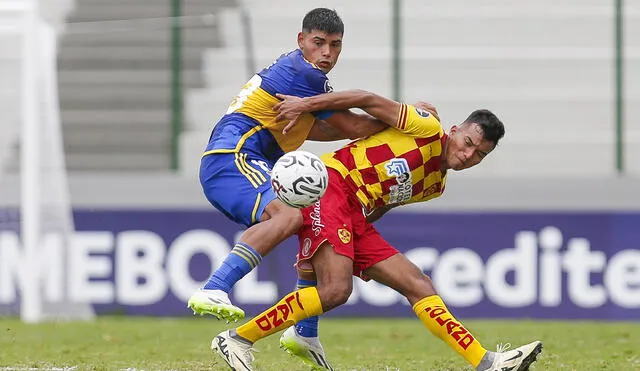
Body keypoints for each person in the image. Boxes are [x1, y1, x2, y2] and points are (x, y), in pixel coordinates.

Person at [210, 89, 543, 371]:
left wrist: (346, 240)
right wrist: (305, 105)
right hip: (332, 185)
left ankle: (487, 362)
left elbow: (383, 202)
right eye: (468, 142)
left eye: (479, 155)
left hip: (354, 214)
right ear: (455, 130)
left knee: (418, 284)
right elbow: (366, 99)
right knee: (337, 290)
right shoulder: (426, 127)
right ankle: (238, 338)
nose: (468, 155)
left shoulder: (435, 186)